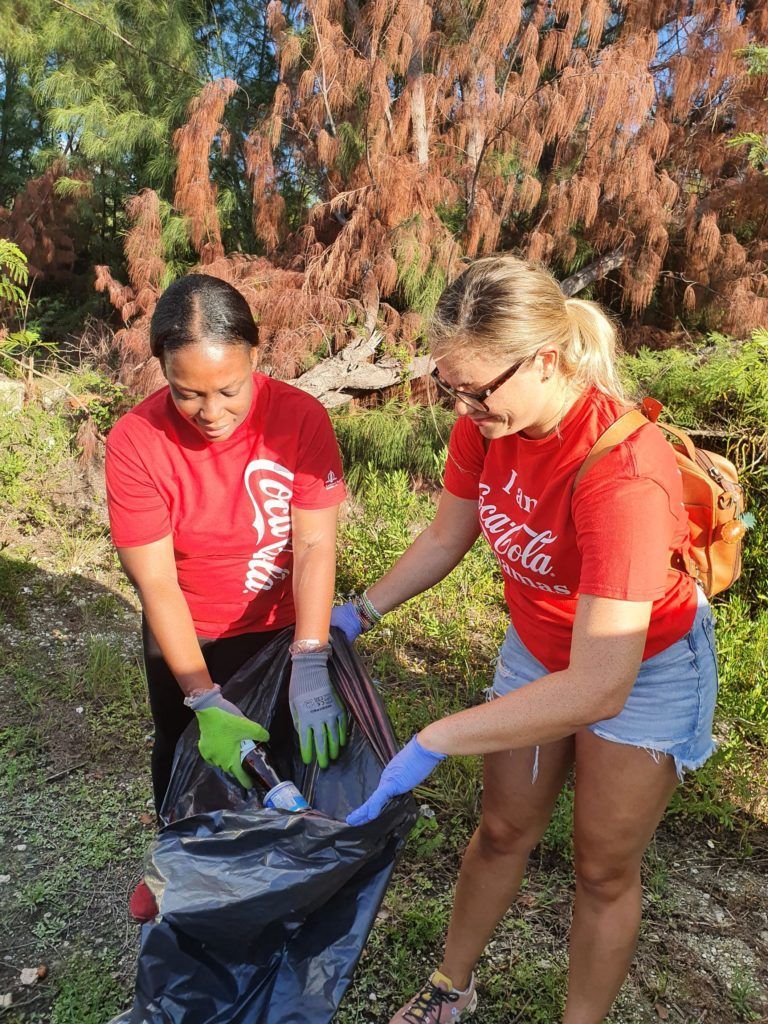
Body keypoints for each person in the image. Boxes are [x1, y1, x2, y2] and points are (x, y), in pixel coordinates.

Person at [332, 256, 718, 1024]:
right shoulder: (492, 423)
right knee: (503, 828)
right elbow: (448, 536)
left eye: (475, 389)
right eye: (451, 388)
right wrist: (358, 614)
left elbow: (601, 683)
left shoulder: (622, 473)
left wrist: (438, 737)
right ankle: (451, 988)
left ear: (545, 359)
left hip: (643, 669)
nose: (464, 407)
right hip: (541, 650)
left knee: (602, 869)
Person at [105, 274, 348, 831]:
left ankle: (275, 872)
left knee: (282, 756)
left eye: (229, 390)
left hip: (279, 629)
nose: (211, 412)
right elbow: (158, 582)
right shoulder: (136, 441)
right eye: (186, 392)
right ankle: (178, 864)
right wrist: (202, 697)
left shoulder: (300, 419)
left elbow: (313, 543)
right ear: (162, 370)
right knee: (186, 748)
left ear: (255, 356)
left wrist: (309, 659)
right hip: (188, 632)